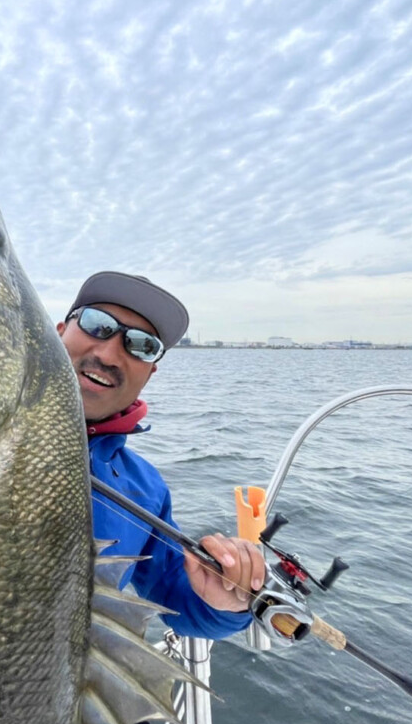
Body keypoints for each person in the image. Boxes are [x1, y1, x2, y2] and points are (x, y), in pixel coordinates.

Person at [57, 271, 265, 640]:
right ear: (59, 331)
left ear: (150, 373)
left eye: (142, 345)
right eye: (96, 324)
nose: (108, 353)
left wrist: (223, 602)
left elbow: (172, 594)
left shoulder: (145, 488)